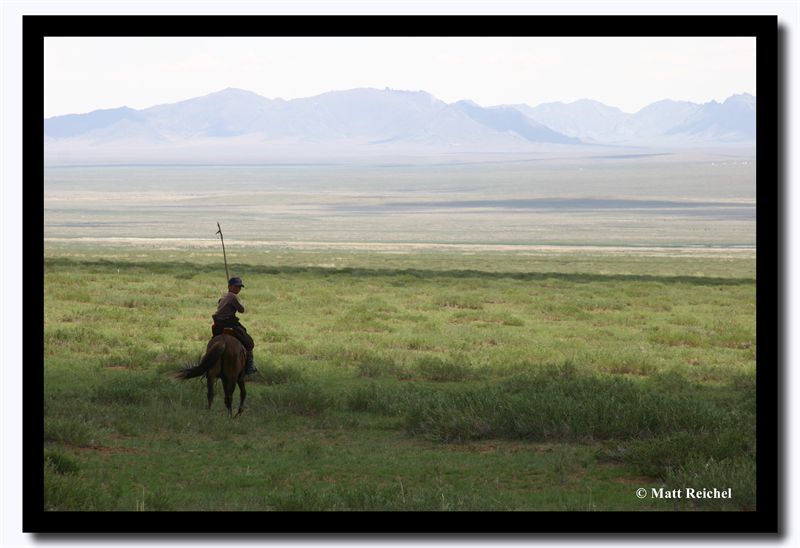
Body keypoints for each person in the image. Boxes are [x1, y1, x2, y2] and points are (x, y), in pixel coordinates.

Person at [211, 276, 257, 375]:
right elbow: (241, 310)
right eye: (236, 287)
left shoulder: (224, 296)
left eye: (240, 287)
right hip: (229, 323)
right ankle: (249, 368)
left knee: (213, 342)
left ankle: (207, 363)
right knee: (249, 343)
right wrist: (238, 301)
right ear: (229, 286)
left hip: (218, 323)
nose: (238, 289)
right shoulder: (232, 296)